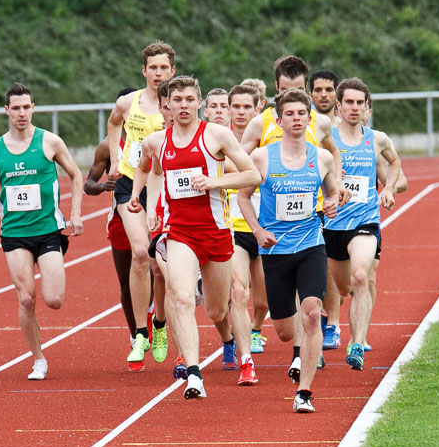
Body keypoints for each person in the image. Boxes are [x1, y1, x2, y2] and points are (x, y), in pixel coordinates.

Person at [129, 75, 261, 398]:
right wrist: (144, 202)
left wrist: (213, 182)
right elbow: (150, 169)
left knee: (217, 310)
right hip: (179, 232)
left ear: (199, 102)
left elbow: (252, 174)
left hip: (215, 232)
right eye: (178, 100)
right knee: (183, 297)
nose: (184, 106)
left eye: (190, 100)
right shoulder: (157, 141)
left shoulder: (216, 135)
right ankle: (194, 374)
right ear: (168, 105)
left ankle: (241, 353)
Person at [0, 82, 84, 380]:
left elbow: (75, 174)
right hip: (14, 233)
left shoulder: (50, 142)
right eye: (15, 108)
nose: (21, 113)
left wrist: (75, 215)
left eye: (26, 107)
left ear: (33, 108)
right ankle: (39, 359)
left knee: (54, 300)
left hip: (48, 230)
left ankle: (53, 267)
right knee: (26, 299)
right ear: (7, 111)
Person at [238, 89, 338, 413]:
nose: (296, 118)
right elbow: (243, 197)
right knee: (283, 331)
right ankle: (290, 339)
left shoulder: (322, 157)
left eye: (301, 113)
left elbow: (333, 193)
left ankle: (304, 392)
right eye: (290, 114)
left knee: (311, 314)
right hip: (275, 250)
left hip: (311, 244)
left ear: (308, 119)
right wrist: (258, 230)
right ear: (278, 121)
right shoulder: (262, 157)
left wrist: (335, 202)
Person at [107, 41, 176, 368]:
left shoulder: (178, 103)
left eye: (164, 68)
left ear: (172, 70)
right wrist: (115, 158)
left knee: (159, 266)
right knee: (138, 252)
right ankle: (139, 334)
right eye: (153, 68)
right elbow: (113, 123)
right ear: (144, 70)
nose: (158, 73)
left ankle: (160, 324)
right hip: (130, 184)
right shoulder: (127, 101)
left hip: (165, 186)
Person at [323, 77, 400, 371]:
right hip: (332, 226)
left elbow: (394, 163)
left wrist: (388, 188)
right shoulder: (326, 139)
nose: (355, 108)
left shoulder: (376, 139)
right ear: (338, 107)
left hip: (365, 221)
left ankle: (357, 343)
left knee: (360, 276)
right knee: (343, 288)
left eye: (360, 103)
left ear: (367, 107)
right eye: (349, 103)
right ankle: (343, 325)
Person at [84, 87, 138, 344]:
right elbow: (88, 184)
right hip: (120, 217)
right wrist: (104, 186)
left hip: (154, 213)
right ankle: (135, 333)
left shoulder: (156, 137)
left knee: (157, 276)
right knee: (127, 282)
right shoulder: (107, 146)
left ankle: (155, 318)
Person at [225, 83, 269, 369]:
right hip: (232, 228)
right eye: (236, 107)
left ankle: (255, 329)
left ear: (258, 109)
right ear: (228, 109)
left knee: (264, 300)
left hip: (264, 227)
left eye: (246, 107)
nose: (240, 112)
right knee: (238, 292)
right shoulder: (219, 139)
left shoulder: (269, 141)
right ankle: (243, 353)